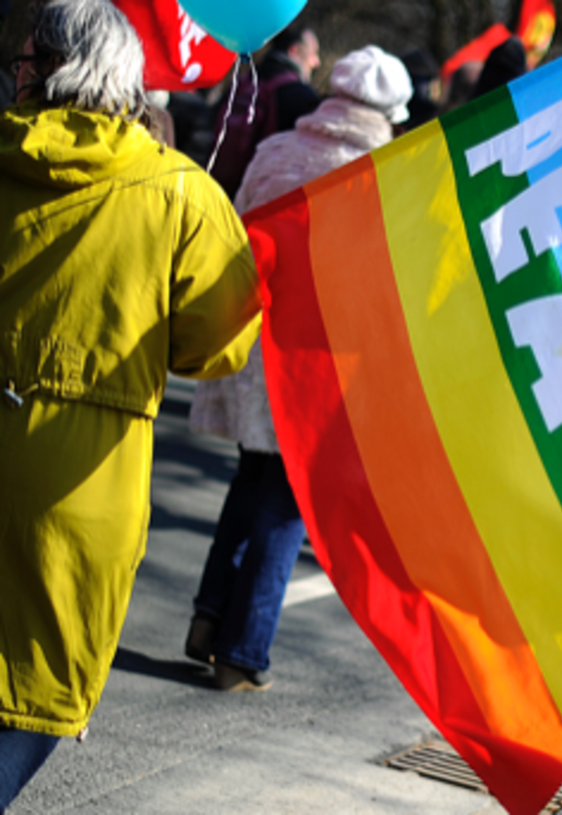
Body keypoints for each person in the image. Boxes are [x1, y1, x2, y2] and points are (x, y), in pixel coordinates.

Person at [0, 0, 261, 803]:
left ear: (50, 66)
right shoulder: (180, 193)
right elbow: (218, 345)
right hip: (83, 484)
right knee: (35, 689)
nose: (13, 68)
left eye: (23, 57)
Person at [186, 46, 413, 692]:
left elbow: (235, 233)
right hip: (321, 362)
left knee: (250, 478)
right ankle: (242, 651)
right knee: (288, 508)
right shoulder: (385, 175)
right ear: (389, 112)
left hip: (257, 343)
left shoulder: (277, 151)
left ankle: (207, 619)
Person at [207, 21, 322, 198]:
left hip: (214, 185)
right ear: (294, 51)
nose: (316, 62)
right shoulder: (299, 95)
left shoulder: (244, 80)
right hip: (255, 197)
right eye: (313, 53)